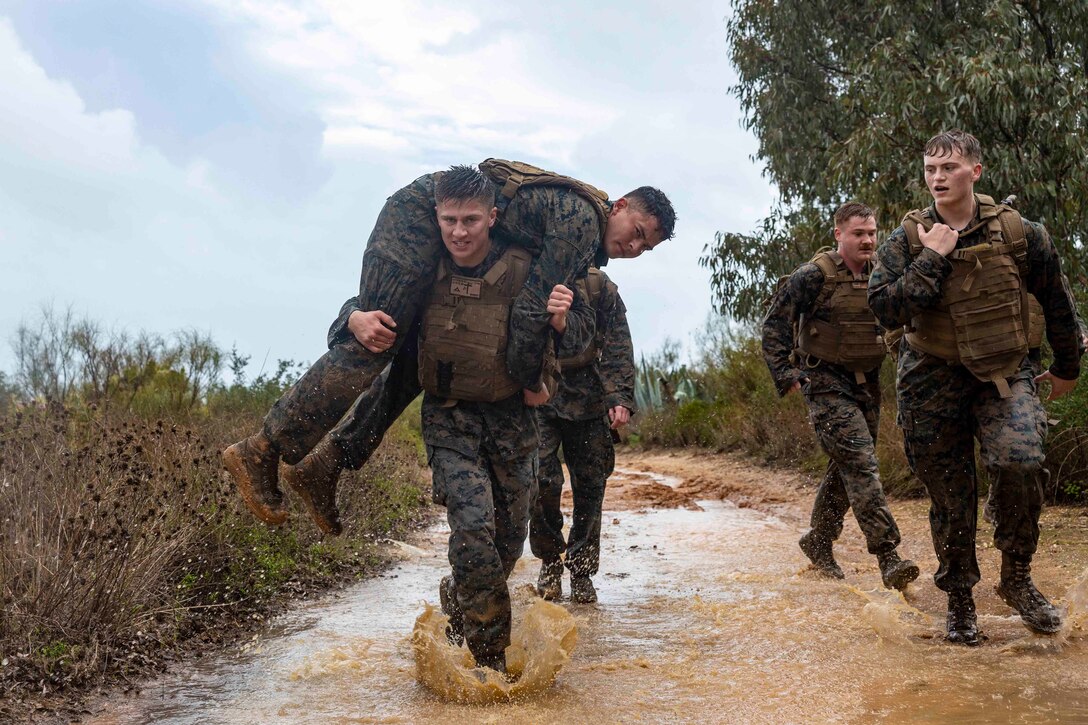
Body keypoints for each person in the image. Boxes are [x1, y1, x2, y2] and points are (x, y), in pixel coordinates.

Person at [274, 168, 675, 534]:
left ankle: (570, 576)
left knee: (550, 504)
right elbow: (385, 306)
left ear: (496, 219)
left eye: (646, 246)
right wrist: (351, 317)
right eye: (636, 231)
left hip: (531, 402)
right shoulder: (470, 247)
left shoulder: (573, 267)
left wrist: (568, 345)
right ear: (619, 206)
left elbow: (597, 334)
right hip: (469, 401)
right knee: (406, 358)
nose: (635, 246)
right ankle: (300, 455)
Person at [868, 130, 1083, 645]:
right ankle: (960, 598)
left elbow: (1057, 303)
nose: (938, 178)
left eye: (949, 168)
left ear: (975, 172)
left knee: (1020, 462)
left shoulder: (1019, 233)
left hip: (1004, 374)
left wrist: (1068, 368)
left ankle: (1016, 579)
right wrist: (932, 260)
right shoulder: (909, 237)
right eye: (930, 170)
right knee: (951, 495)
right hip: (929, 379)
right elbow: (884, 307)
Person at [414, 166, 578, 676]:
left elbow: (580, 337)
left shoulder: (527, 268)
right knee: (473, 528)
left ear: (493, 217)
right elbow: (367, 302)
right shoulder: (421, 265)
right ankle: (490, 664)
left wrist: (561, 318)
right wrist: (352, 317)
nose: (459, 232)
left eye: (470, 220)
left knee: (508, 543)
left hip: (512, 422)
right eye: (449, 220)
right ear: (436, 218)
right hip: (450, 419)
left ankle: (460, 597)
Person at [762, 202, 920, 591]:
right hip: (824, 382)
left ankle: (818, 540)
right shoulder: (813, 277)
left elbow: (899, 321)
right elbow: (773, 326)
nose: (867, 241)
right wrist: (786, 373)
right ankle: (888, 556)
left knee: (847, 466)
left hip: (868, 384)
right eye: (857, 234)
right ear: (839, 235)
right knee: (861, 463)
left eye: (871, 233)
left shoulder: (883, 275)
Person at [530, 268, 636, 604]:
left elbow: (618, 342)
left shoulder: (598, 285)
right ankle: (549, 561)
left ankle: (581, 570)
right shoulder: (532, 270)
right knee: (541, 481)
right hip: (538, 391)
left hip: (588, 395)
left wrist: (619, 396)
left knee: (591, 487)